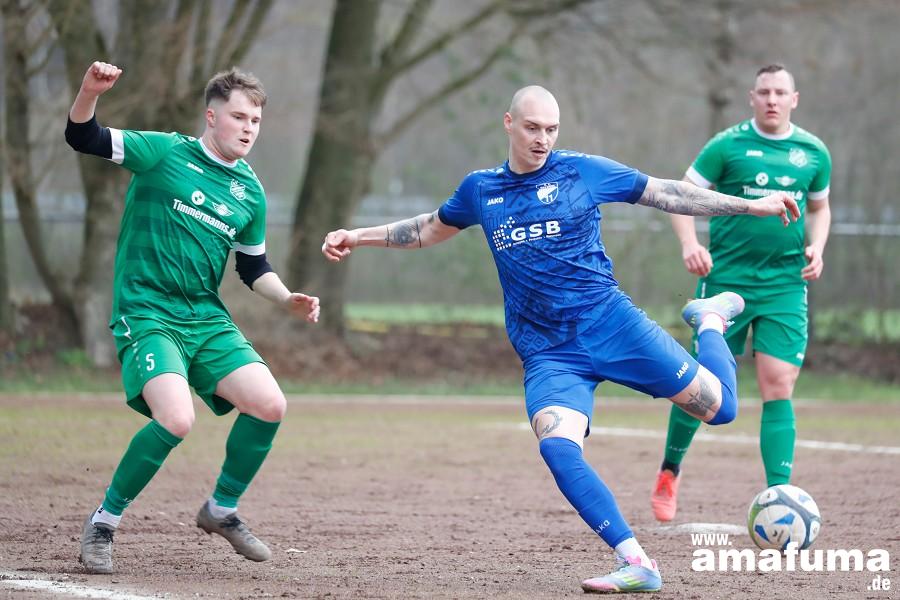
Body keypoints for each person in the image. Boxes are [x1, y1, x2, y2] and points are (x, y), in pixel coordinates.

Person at [321, 85, 799, 594]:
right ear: (509, 123)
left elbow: (668, 192)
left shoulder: (581, 172)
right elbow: (428, 229)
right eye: (532, 128)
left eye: (551, 129)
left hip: (613, 325)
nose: (542, 139)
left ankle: (710, 320)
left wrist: (753, 206)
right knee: (557, 448)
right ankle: (636, 561)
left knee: (721, 410)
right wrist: (359, 235)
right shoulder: (481, 190)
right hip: (549, 352)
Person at [65, 61, 321, 574]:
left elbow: (253, 267)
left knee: (270, 405)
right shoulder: (164, 152)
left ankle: (221, 509)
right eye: (239, 117)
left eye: (256, 121)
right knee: (177, 419)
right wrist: (89, 92)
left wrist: (285, 297)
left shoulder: (249, 191)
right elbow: (84, 136)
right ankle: (104, 522)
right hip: (147, 311)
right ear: (211, 116)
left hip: (203, 317)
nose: (249, 129)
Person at [650, 64, 832, 523]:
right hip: (726, 283)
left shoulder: (813, 152)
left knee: (778, 383)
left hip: (785, 284)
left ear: (794, 99)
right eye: (764, 92)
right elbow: (680, 196)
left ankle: (779, 497)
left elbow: (820, 207)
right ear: (752, 97)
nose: (772, 99)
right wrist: (690, 244)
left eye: (780, 92)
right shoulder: (726, 146)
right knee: (700, 385)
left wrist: (818, 245)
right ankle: (670, 470)